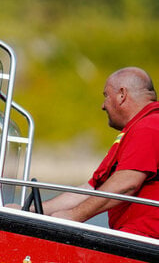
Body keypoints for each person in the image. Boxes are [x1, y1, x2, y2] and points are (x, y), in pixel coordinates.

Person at [41, 66, 159, 238]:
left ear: (122, 95)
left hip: (145, 243)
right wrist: (32, 210)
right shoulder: (133, 132)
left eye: (106, 96)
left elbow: (126, 184)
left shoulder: (150, 126)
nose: (103, 105)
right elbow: (91, 189)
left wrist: (74, 216)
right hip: (132, 239)